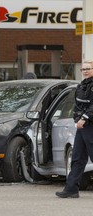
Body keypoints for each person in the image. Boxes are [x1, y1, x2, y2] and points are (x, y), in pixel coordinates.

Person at [55, 61, 93, 198]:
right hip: (82, 127)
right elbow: (77, 106)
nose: (85, 71)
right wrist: (78, 119)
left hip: (90, 126)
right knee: (77, 158)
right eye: (83, 69)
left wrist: (85, 118)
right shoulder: (81, 86)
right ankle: (71, 189)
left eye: (88, 68)